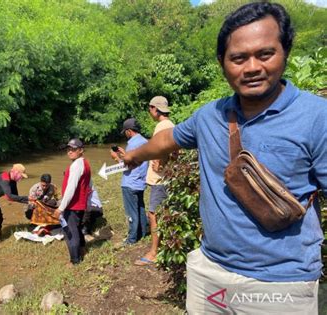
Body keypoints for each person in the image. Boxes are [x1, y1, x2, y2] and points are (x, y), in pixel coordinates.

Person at [123, 2, 326, 314]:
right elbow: (167, 139)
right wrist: (136, 155)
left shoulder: (317, 117)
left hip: (281, 283)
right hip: (211, 270)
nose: (252, 67)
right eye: (238, 58)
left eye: (265, 54)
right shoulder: (210, 116)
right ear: (222, 62)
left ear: (285, 51)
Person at [135, 96, 175, 266]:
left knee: (153, 214)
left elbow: (162, 149)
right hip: (170, 177)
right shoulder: (172, 124)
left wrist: (158, 163)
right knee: (166, 212)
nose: (149, 111)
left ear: (155, 109)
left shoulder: (161, 126)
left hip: (161, 179)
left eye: (150, 108)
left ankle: (153, 252)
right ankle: (168, 246)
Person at [111, 118, 148, 245]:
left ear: (129, 131)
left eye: (125, 132)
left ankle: (131, 239)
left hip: (130, 182)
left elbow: (127, 166)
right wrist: (124, 153)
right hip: (141, 182)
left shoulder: (132, 143)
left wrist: (116, 158)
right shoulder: (144, 141)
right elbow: (137, 160)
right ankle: (142, 233)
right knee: (140, 208)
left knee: (131, 212)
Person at [54, 138, 92, 265]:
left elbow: (71, 188)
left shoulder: (76, 165)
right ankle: (82, 249)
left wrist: (61, 208)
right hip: (80, 204)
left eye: (73, 149)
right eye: (68, 149)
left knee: (70, 233)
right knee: (77, 229)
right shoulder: (85, 163)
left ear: (81, 150)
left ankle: (75, 260)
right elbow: (89, 186)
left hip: (73, 205)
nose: (70, 152)